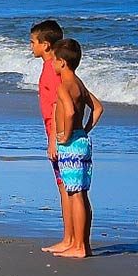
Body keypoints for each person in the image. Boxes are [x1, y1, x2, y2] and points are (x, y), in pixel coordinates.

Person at [47, 36, 102, 259]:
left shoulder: (64, 86)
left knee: (75, 193)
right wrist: (85, 130)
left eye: (54, 60)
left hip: (70, 144)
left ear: (62, 62)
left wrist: (66, 135)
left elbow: (69, 112)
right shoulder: (79, 84)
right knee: (80, 193)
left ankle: (79, 246)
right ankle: (81, 243)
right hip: (82, 141)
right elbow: (98, 108)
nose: (52, 64)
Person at [29, 19, 67, 218]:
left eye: (33, 42)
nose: (30, 46)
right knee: (64, 185)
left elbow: (56, 105)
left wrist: (53, 139)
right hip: (56, 132)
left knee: (66, 187)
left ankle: (71, 233)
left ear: (45, 45)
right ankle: (70, 232)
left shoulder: (52, 69)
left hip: (58, 134)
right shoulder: (51, 67)